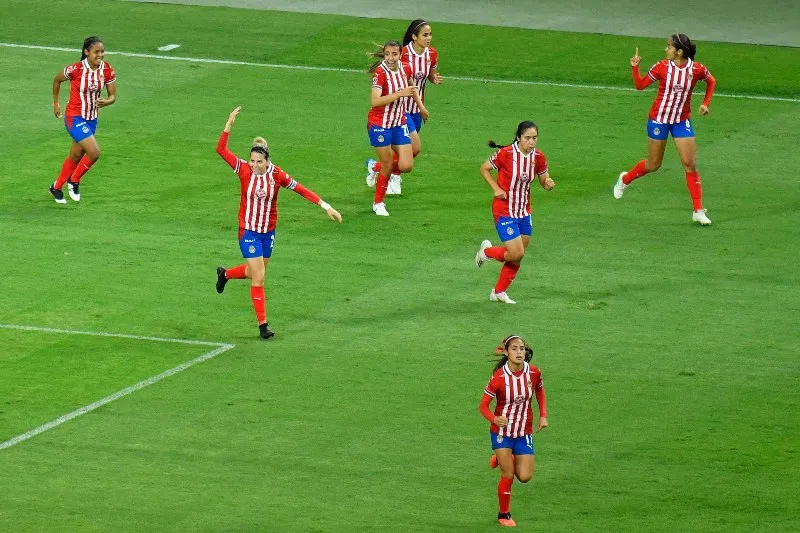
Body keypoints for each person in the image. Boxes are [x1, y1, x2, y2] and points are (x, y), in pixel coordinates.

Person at [214, 106, 342, 339]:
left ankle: (225, 275)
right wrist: (229, 123)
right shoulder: (243, 170)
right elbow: (221, 149)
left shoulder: (277, 175)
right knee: (260, 276)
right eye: (252, 160)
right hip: (248, 231)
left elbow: (300, 189)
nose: (254, 165)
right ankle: (263, 326)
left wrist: (326, 207)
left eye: (258, 161)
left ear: (267, 160)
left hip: (268, 232)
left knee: (255, 272)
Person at [613, 34, 717, 225]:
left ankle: (698, 211)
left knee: (689, 163)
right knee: (653, 165)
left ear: (679, 51)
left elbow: (712, 81)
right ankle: (626, 178)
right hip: (659, 120)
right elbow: (640, 85)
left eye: (669, 46)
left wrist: (705, 103)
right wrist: (635, 68)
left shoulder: (695, 69)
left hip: (681, 120)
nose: (665, 49)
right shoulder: (661, 67)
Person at [474, 122, 554, 304]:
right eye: (527, 138)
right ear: (519, 137)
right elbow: (484, 168)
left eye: (534, 138)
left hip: (524, 211)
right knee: (516, 253)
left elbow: (543, 180)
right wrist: (495, 188)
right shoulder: (506, 154)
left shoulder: (539, 157)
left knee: (518, 254)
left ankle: (498, 292)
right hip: (504, 210)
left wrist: (548, 184)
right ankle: (487, 252)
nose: (531, 142)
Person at [479, 335, 548, 528]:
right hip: (502, 432)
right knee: (508, 474)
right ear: (507, 352)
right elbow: (483, 406)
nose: (519, 352)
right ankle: (504, 514)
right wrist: (494, 418)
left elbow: (540, 391)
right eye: (515, 349)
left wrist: (543, 415)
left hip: (523, 432)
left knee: (524, 477)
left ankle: (502, 457)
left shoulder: (534, 372)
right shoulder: (499, 378)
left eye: (522, 349)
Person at [366, 20, 442, 195]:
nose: (429, 38)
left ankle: (376, 167)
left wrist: (433, 80)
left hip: (415, 109)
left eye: (430, 34)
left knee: (411, 151)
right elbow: (389, 70)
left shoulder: (432, 54)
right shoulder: (403, 54)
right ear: (414, 37)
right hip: (401, 111)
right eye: (425, 34)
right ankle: (394, 177)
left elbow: (426, 76)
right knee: (414, 148)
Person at [49, 36, 117, 204]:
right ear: (87, 52)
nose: (100, 55)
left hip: (92, 119)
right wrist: (56, 103)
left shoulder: (107, 69)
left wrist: (107, 101)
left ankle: (56, 187)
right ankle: (75, 180)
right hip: (74, 116)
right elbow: (57, 80)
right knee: (94, 152)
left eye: (102, 51)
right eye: (96, 52)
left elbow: (112, 96)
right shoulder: (76, 69)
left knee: (76, 156)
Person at [365, 40, 429, 216]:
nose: (390, 58)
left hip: (399, 123)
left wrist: (421, 107)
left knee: (407, 165)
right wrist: (398, 94)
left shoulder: (405, 68)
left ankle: (374, 167)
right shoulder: (380, 73)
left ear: (400, 54)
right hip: (380, 125)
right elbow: (375, 101)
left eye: (394, 54)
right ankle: (378, 203)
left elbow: (412, 87)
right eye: (387, 54)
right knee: (388, 163)